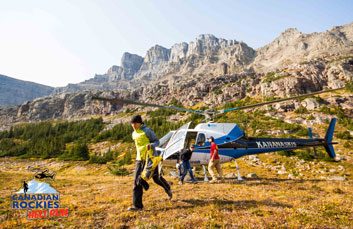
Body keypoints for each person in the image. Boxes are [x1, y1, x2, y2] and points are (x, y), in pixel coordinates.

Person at [128, 115, 172, 211]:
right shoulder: (133, 133)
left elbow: (157, 141)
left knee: (156, 178)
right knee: (136, 181)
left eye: (135, 123)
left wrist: (151, 145)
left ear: (140, 123)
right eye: (132, 124)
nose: (133, 125)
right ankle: (138, 206)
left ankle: (167, 188)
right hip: (139, 159)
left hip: (151, 159)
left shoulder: (147, 131)